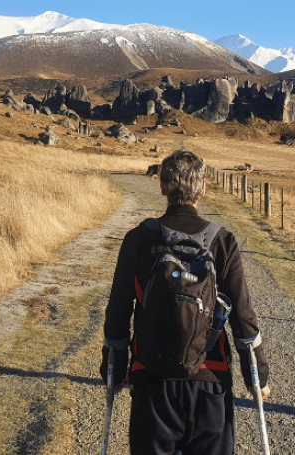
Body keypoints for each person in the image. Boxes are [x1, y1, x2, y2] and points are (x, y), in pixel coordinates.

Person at [101, 150, 270, 455]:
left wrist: (113, 369)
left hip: (151, 381)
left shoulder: (137, 238)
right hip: (211, 381)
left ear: (163, 188)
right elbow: (242, 316)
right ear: (203, 190)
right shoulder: (223, 241)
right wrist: (257, 374)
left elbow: (118, 312)